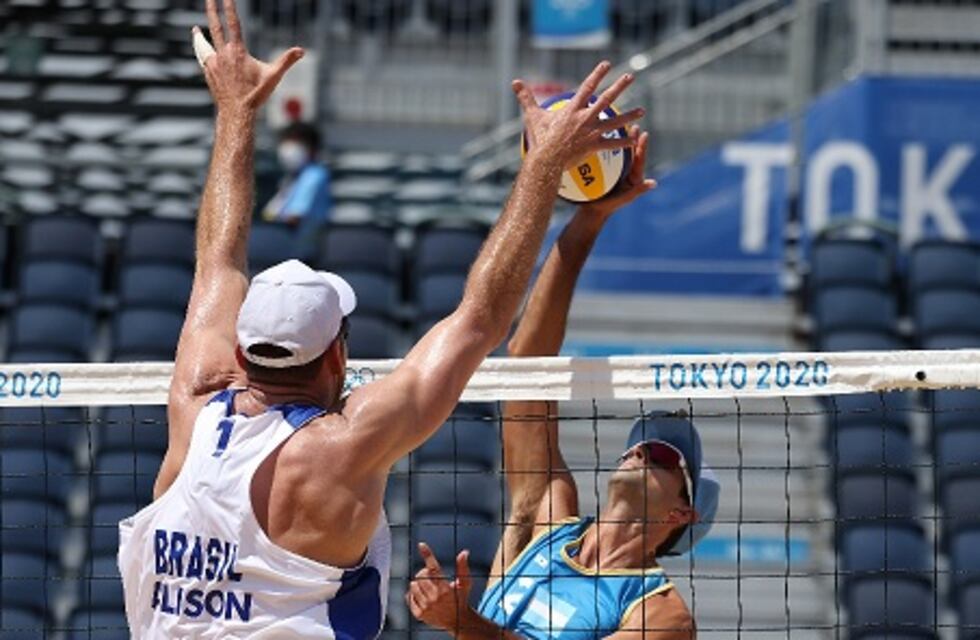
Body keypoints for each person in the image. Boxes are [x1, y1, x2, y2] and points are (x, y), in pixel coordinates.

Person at [115, 0, 646, 636]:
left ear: (242, 347)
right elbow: (480, 319)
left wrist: (235, 111)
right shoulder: (341, 447)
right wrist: (540, 170)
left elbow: (217, 261)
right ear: (338, 353)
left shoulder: (194, 401)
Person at [406, 131, 721, 639]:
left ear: (682, 513)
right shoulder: (544, 521)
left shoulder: (662, 615)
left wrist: (462, 622)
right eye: (638, 447)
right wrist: (588, 220)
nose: (639, 452)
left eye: (662, 458)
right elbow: (528, 363)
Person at [261, 120, 331, 255]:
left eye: (297, 144)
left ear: (312, 148)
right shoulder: (292, 177)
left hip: (302, 256)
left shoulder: (315, 175)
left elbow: (294, 218)